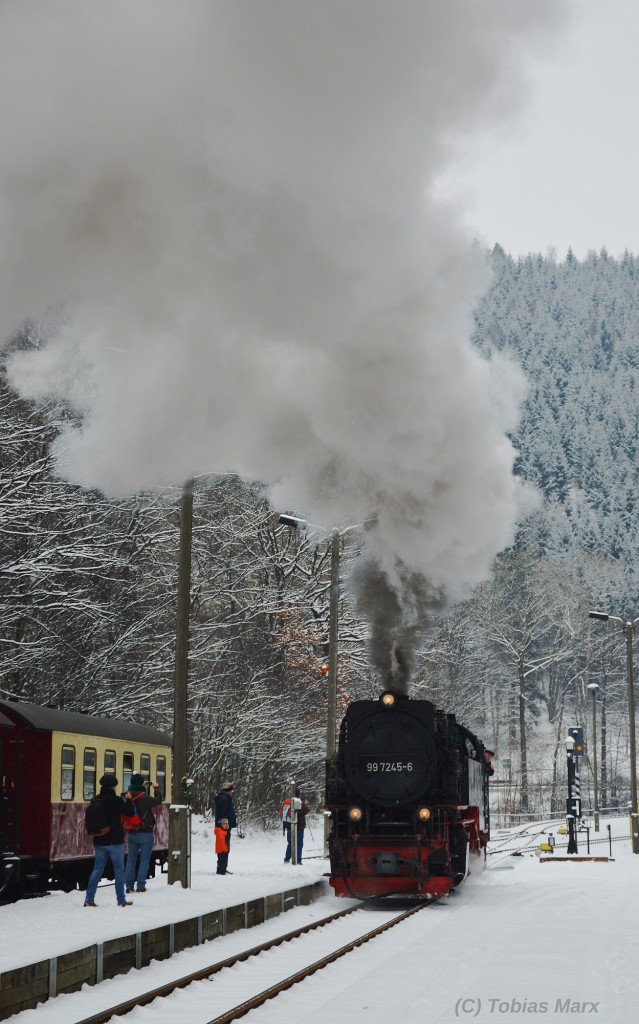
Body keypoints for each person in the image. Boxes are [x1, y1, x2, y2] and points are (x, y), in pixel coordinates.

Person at [84, 774, 135, 908]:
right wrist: (129, 800)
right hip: (115, 841)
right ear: (113, 786)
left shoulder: (95, 800)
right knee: (119, 870)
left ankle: (89, 899)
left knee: (97, 869)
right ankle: (121, 900)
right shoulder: (116, 800)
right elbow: (130, 812)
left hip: (99, 840)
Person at [124, 774, 163, 894]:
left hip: (131, 832)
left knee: (131, 859)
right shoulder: (144, 797)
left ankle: (129, 886)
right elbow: (158, 801)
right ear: (141, 784)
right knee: (144, 860)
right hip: (145, 832)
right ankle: (141, 885)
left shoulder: (127, 796)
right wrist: (156, 788)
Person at [214, 781, 236, 874]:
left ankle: (222, 867)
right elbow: (223, 814)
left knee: (223, 848)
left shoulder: (223, 798)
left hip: (222, 827)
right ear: (228, 790)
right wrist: (225, 826)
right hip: (224, 828)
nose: (232, 792)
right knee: (224, 848)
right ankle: (221, 869)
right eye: (232, 790)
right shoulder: (225, 799)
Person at [284, 787, 310, 865]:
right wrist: (304, 804)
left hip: (289, 825)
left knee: (290, 843)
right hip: (299, 826)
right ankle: (298, 860)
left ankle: (287, 859)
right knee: (299, 843)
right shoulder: (299, 802)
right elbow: (306, 810)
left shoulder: (287, 802)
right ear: (299, 794)